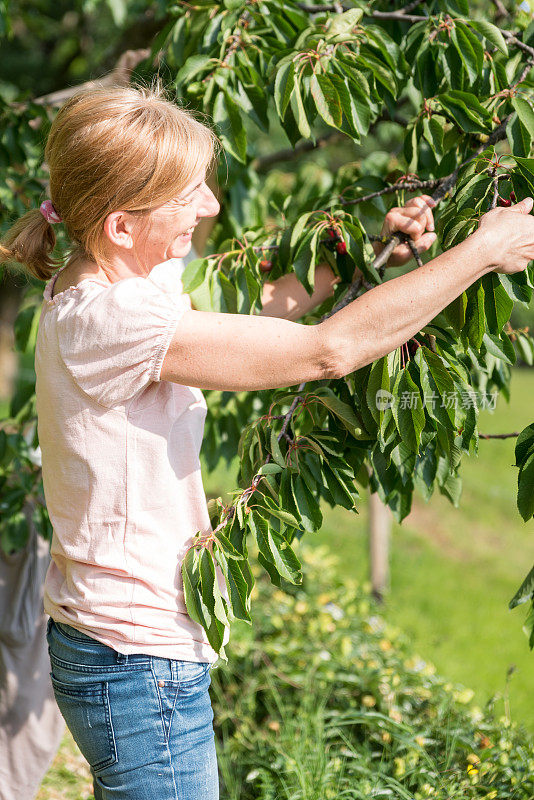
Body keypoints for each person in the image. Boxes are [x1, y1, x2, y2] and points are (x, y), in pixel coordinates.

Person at [1, 80, 533, 800]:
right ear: (122, 224)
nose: (212, 206)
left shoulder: (106, 278)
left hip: (113, 646)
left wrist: (379, 255)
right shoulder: (112, 318)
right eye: (189, 194)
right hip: (135, 660)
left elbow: (255, 312)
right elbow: (326, 352)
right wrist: (480, 252)